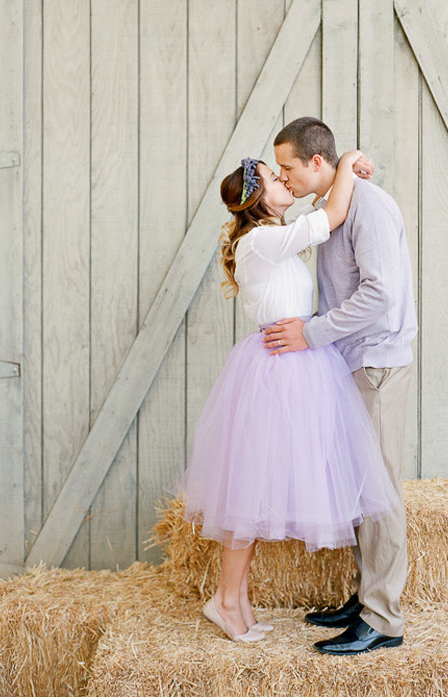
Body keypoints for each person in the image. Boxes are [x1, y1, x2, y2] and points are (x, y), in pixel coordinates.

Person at [177, 153, 396, 644]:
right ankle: (226, 600)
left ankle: (237, 600)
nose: (287, 181)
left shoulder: (271, 237)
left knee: (258, 490)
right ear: (260, 198)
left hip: (296, 366)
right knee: (249, 491)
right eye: (278, 179)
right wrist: (348, 165)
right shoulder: (263, 240)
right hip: (276, 373)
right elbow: (332, 215)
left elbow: (321, 217)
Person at [263, 116, 418, 656]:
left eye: (287, 167)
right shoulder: (334, 203)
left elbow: (381, 295)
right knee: (359, 487)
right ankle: (365, 597)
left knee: (380, 493)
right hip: (350, 362)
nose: (284, 177)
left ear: (315, 163)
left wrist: (311, 334)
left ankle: (384, 620)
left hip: (375, 362)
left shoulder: (369, 207)